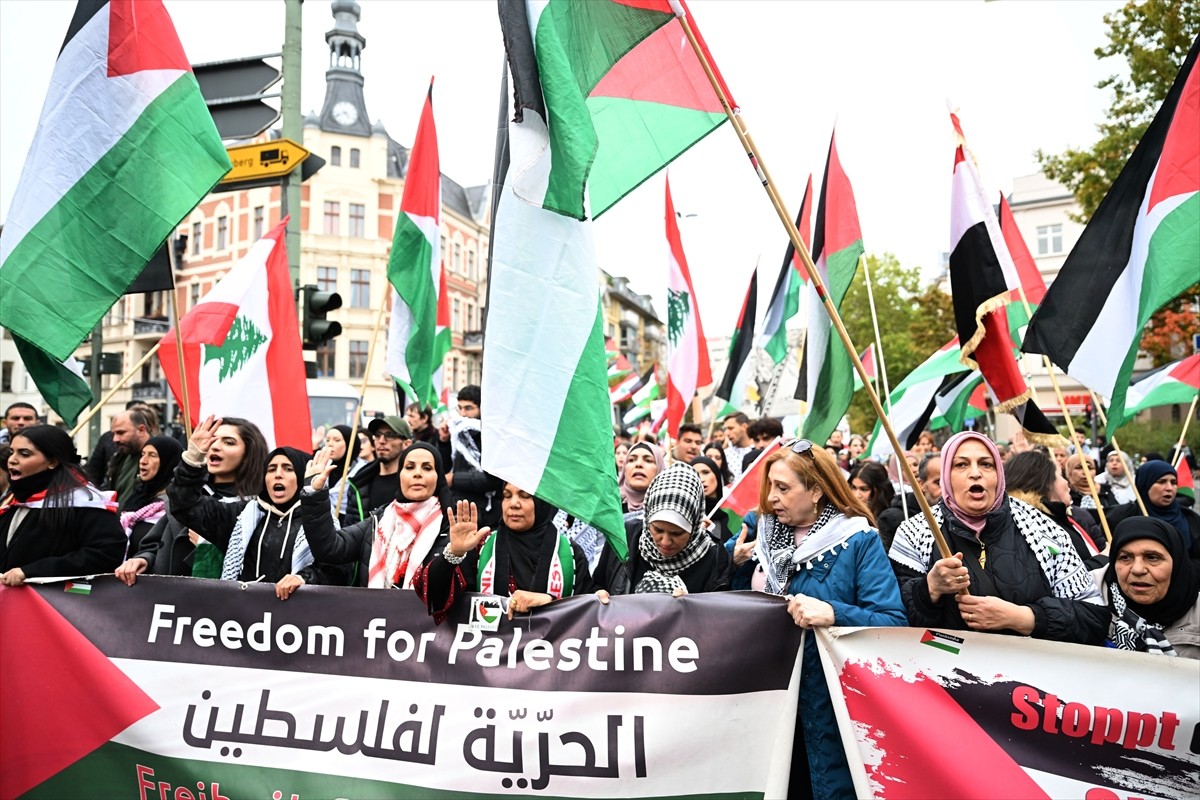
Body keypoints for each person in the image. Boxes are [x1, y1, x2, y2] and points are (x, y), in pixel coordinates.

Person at [751, 439, 905, 799]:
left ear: (816, 490)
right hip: (773, 706)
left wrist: (834, 613)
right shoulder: (761, 538)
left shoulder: (858, 540)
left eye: (783, 488)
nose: (771, 497)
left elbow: (892, 621)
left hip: (832, 711)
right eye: (770, 486)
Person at [889, 431, 1108, 645]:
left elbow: (1093, 618)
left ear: (999, 474)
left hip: (1031, 675)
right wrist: (929, 590)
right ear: (946, 474)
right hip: (949, 674)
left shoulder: (1044, 530)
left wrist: (1023, 618)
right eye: (961, 465)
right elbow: (894, 626)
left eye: (986, 464)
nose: (975, 473)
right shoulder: (914, 534)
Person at [167, 417, 320, 599]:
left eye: (288, 469)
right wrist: (193, 459)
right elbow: (184, 505)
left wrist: (304, 578)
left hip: (293, 622)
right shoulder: (240, 515)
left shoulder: (319, 521)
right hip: (242, 620)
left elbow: (336, 569)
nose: (278, 475)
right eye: (271, 469)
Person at [415, 482, 595, 623]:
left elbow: (587, 613)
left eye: (525, 496)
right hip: (487, 659)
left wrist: (549, 602)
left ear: (543, 503)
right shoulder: (481, 546)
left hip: (549, 660)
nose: (513, 504)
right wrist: (453, 553)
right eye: (507, 496)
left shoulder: (569, 553)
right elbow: (435, 597)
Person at [117, 417, 268, 583]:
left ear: (249, 452)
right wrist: (143, 559)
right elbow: (155, 544)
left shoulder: (259, 507)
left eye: (229, 442)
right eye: (212, 440)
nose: (215, 446)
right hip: (169, 598)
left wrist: (209, 546)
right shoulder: (183, 495)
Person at [301, 441, 451, 590]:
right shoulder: (380, 520)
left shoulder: (453, 524)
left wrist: (455, 553)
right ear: (400, 475)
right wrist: (314, 494)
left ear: (438, 477)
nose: (417, 473)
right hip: (376, 612)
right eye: (409, 467)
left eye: (427, 468)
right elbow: (330, 548)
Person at [1, 425, 124, 585]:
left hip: (55, 604)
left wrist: (31, 571)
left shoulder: (84, 502)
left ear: (52, 461)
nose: (12, 460)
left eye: (24, 454)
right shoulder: (16, 498)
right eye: (11, 452)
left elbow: (107, 553)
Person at [594, 463, 731, 597]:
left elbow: (719, 613)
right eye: (658, 530)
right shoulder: (624, 537)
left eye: (677, 533)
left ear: (694, 525)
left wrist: (691, 608)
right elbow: (597, 584)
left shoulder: (714, 558)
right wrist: (598, 595)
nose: (665, 542)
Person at [1093, 517, 1198, 659]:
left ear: (1177, 563)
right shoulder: (1088, 596)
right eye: (1125, 557)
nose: (1137, 569)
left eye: (1152, 557)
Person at [1005, 451, 1107, 570]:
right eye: (1060, 476)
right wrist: (1104, 558)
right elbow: (1067, 576)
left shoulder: (1060, 517)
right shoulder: (1038, 527)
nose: (1066, 482)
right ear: (1046, 483)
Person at [1108, 460, 1200, 568]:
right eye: (1161, 481)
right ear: (1145, 484)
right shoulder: (1121, 517)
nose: (1169, 488)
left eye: (1173, 482)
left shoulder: (1190, 518)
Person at [445, 385, 502, 530]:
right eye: (460, 408)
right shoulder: (458, 435)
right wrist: (443, 441)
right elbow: (446, 468)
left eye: (469, 408)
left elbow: (493, 479)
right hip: (461, 512)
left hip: (486, 515)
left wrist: (455, 479)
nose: (463, 414)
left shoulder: (492, 438)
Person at [117, 435, 183, 556]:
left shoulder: (174, 504)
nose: (143, 460)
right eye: (143, 454)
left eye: (152, 455)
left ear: (168, 462)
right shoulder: (139, 496)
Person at [348, 416, 412, 523]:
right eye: (378, 435)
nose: (381, 441)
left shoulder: (414, 482)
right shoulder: (360, 481)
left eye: (389, 435)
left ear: (406, 444)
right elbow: (350, 528)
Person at [876, 453, 941, 550]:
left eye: (915, 464)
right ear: (921, 484)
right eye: (938, 482)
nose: (914, 469)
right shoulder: (893, 518)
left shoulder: (955, 515)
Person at [106, 408, 154, 509]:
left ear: (141, 430)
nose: (115, 439)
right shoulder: (119, 457)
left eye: (121, 433)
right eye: (113, 434)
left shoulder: (159, 458)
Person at [323, 424, 365, 523]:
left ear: (350, 443)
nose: (330, 444)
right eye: (328, 440)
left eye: (337, 440)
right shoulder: (323, 466)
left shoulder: (361, 470)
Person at [691, 455, 733, 544]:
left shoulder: (732, 511)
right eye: (695, 474)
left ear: (716, 475)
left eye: (705, 472)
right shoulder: (690, 515)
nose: (701, 479)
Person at [619, 442, 664, 519]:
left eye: (648, 460)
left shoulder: (666, 509)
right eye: (631, 460)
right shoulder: (610, 508)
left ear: (659, 469)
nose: (638, 464)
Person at [849, 461, 894, 528]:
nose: (856, 495)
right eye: (854, 488)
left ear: (879, 491)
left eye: (864, 489)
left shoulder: (888, 519)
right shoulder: (847, 513)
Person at [722, 413, 754, 481]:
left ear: (744, 426)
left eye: (731, 428)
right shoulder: (724, 454)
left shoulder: (758, 450)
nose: (726, 433)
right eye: (725, 429)